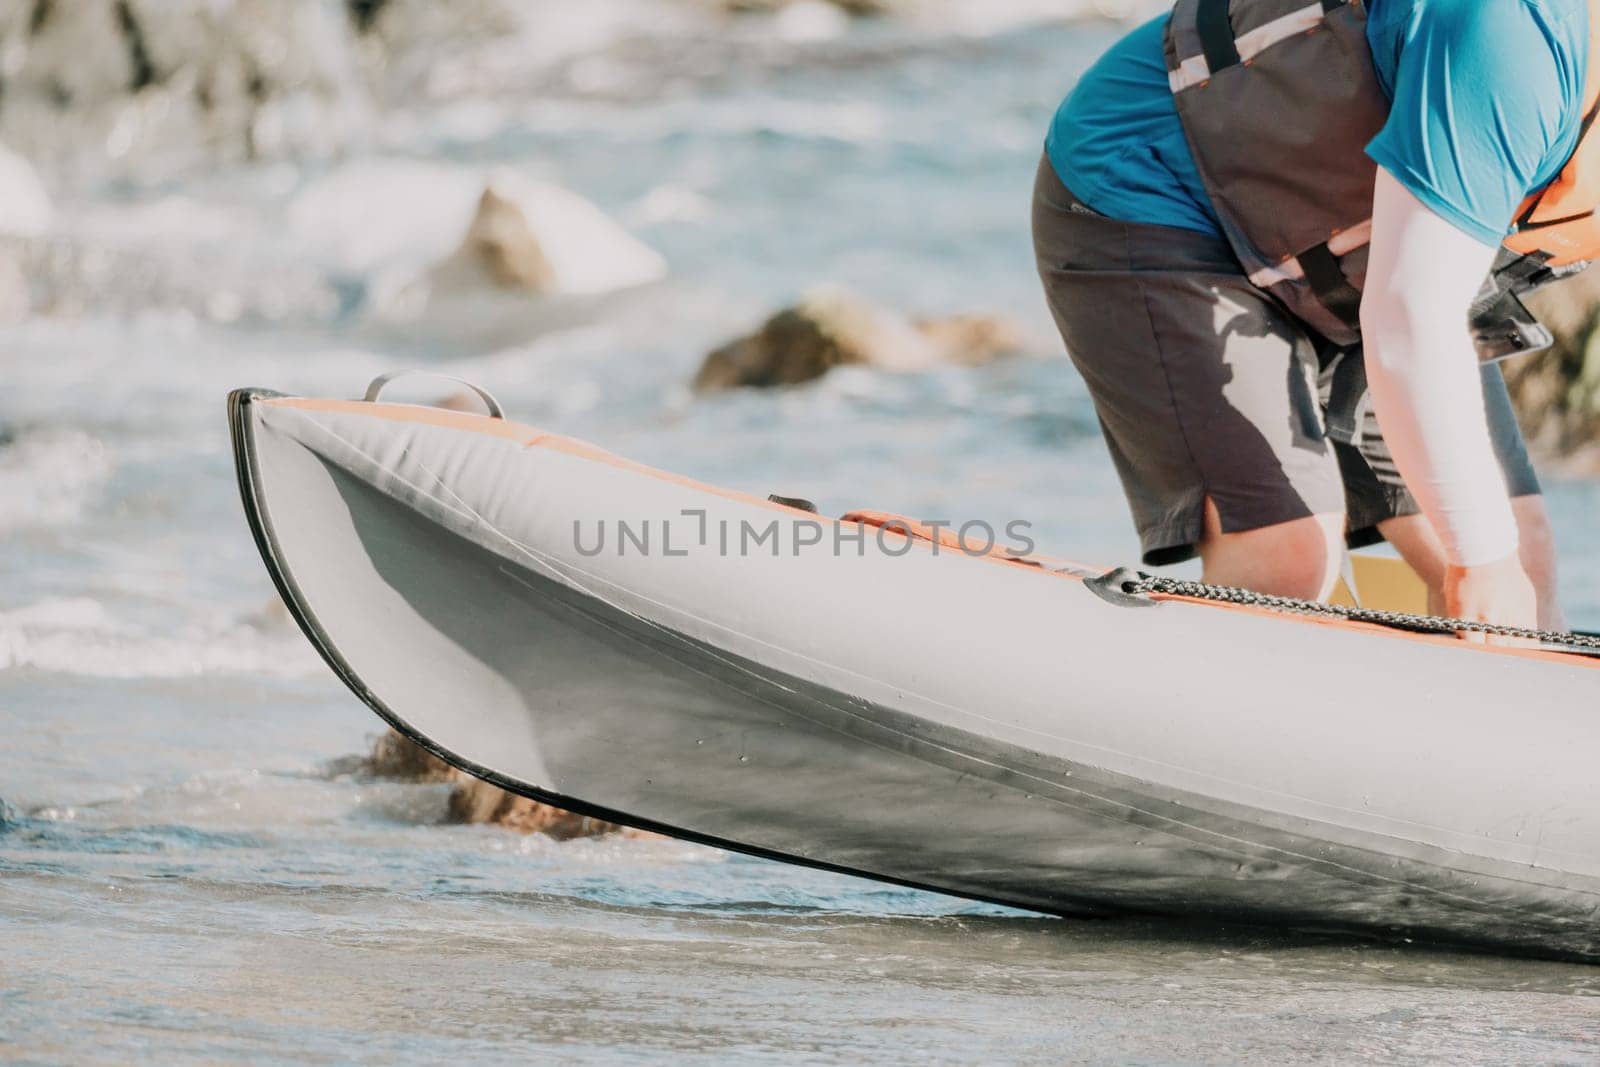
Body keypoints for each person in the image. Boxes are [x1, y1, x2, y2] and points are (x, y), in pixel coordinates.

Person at [1033, 0, 1600, 635]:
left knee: (1524, 552)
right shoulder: (1513, 31)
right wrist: (1483, 565)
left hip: (1352, 257)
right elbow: (1412, 317)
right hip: (1154, 188)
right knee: (1291, 553)